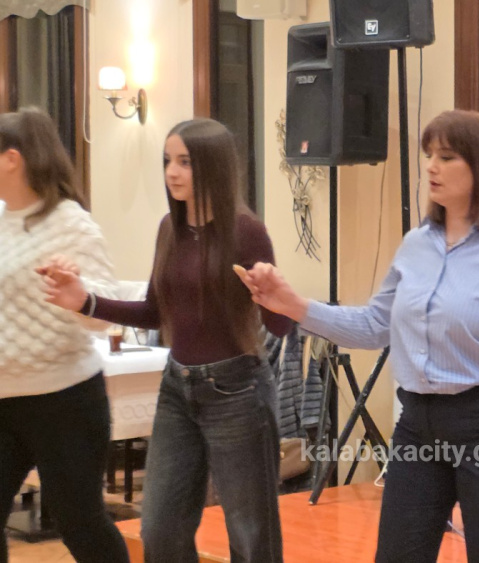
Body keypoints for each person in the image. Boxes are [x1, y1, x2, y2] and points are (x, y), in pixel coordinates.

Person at [234, 109, 479, 563]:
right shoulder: (417, 244)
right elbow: (374, 326)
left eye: (447, 157)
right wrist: (294, 306)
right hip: (418, 423)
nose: (431, 167)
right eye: (429, 155)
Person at [39, 118, 293, 563]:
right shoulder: (169, 229)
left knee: (250, 536)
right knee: (159, 528)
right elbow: (154, 313)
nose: (172, 172)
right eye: (167, 161)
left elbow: (280, 327)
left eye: (185, 162)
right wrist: (85, 301)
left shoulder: (246, 231)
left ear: (213, 166)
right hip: (178, 388)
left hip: (237, 392)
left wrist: (272, 295)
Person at [0, 109, 129, 563]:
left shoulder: (69, 222)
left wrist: (77, 292)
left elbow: (104, 313)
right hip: (4, 398)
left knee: (79, 523)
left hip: (64, 400)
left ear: (11, 159)